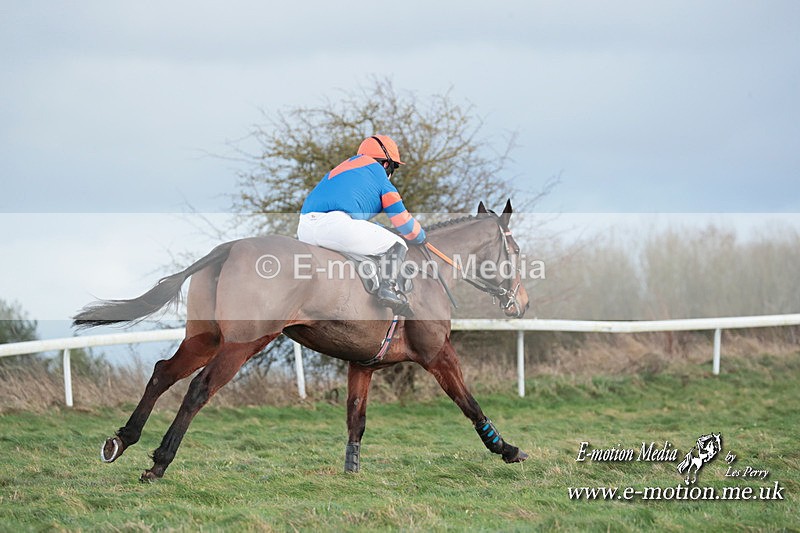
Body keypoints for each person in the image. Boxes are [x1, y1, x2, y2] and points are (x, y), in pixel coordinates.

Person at [298, 135, 426, 316]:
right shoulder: (380, 177)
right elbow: (404, 223)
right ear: (386, 164)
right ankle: (387, 289)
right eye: (394, 167)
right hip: (335, 226)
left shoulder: (343, 168)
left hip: (304, 228)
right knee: (398, 244)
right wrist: (421, 236)